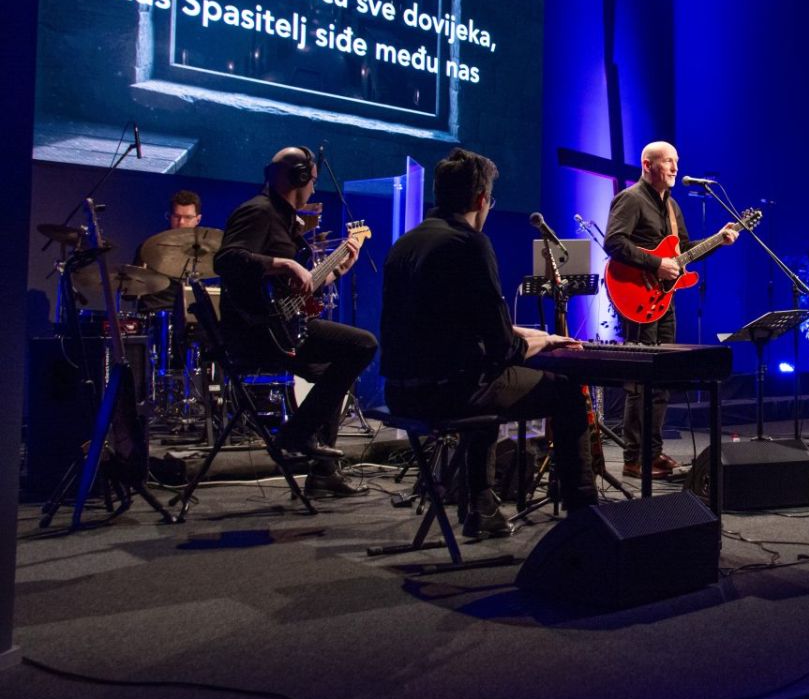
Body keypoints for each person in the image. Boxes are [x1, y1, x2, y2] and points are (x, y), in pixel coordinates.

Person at [382, 148, 596, 537]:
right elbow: (501, 348)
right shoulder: (470, 244)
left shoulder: (406, 244)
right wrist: (541, 346)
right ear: (482, 200)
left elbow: (459, 326)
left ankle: (483, 506)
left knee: (486, 373)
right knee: (565, 392)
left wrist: (541, 337)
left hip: (401, 393)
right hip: (447, 395)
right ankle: (586, 514)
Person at [214, 147, 375, 496]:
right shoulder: (258, 212)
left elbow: (292, 292)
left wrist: (336, 272)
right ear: (299, 178)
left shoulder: (283, 218)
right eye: (313, 181)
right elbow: (226, 261)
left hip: (276, 326)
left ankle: (323, 473)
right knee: (363, 344)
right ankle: (295, 435)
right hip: (256, 333)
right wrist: (283, 263)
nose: (315, 189)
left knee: (337, 370)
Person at [604, 141, 738, 480]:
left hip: (664, 301)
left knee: (661, 380)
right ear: (647, 165)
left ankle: (652, 451)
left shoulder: (672, 206)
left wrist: (717, 241)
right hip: (638, 298)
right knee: (641, 381)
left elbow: (683, 253)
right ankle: (635, 458)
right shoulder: (631, 199)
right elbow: (614, 242)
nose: (676, 168)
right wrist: (656, 263)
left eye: (677, 161)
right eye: (668, 162)